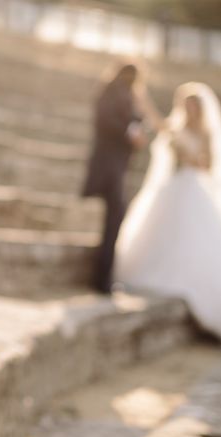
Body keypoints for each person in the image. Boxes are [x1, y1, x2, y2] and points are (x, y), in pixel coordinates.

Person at [115, 83, 221, 347]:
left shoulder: (206, 133)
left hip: (195, 185)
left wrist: (192, 156)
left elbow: (209, 165)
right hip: (176, 186)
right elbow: (159, 124)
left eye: (193, 104)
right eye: (186, 104)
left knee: (197, 238)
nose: (189, 108)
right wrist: (143, 101)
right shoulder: (175, 128)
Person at [82, 63, 148, 294]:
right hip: (108, 166)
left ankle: (103, 276)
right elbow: (106, 120)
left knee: (116, 218)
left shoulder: (126, 94)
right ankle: (102, 278)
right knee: (115, 216)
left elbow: (133, 121)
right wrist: (130, 132)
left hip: (116, 165)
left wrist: (137, 122)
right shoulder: (113, 91)